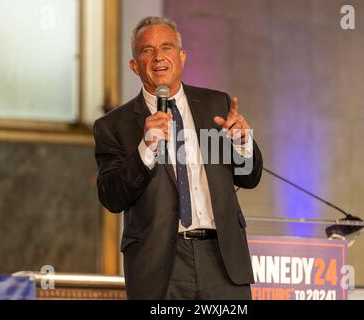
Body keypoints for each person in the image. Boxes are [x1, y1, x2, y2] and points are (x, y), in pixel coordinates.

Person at [93, 16, 263, 300]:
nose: (158, 56)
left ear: (182, 57)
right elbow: (112, 197)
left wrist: (243, 144)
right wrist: (145, 148)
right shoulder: (114, 126)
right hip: (158, 266)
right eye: (147, 50)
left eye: (167, 47)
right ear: (134, 66)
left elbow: (249, 177)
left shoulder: (215, 105)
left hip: (222, 260)